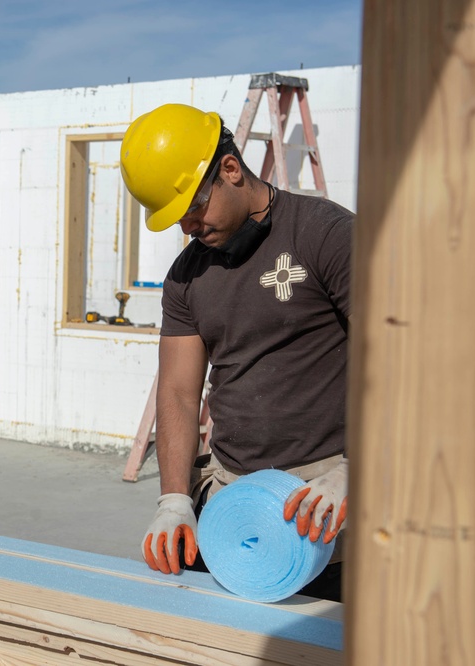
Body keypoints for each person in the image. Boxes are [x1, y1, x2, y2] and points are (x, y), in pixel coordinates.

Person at [120, 104, 352, 602]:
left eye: (193, 209)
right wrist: (175, 499)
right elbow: (180, 394)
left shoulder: (324, 235)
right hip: (234, 504)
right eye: (177, 217)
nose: (187, 227)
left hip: (325, 498)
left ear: (229, 169)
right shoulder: (187, 276)